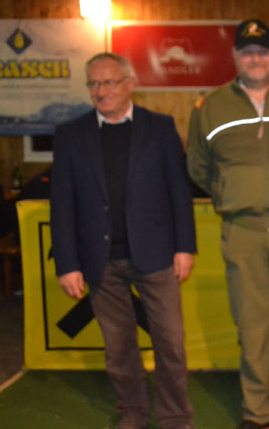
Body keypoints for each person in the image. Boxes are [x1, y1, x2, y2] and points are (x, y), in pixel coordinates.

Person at [50, 52, 196, 429]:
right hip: (100, 261)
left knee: (171, 345)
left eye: (109, 83)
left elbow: (178, 192)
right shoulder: (70, 135)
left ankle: (175, 418)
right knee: (119, 350)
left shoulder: (160, 127)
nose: (101, 91)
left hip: (157, 256)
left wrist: (185, 247)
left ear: (130, 84)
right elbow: (62, 203)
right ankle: (133, 414)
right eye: (94, 84)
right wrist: (67, 264)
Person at [186, 19, 269, 429]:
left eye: (263, 51)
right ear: (235, 57)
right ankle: (257, 412)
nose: (256, 58)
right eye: (247, 52)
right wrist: (233, 194)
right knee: (252, 327)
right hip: (242, 232)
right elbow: (198, 167)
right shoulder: (210, 108)